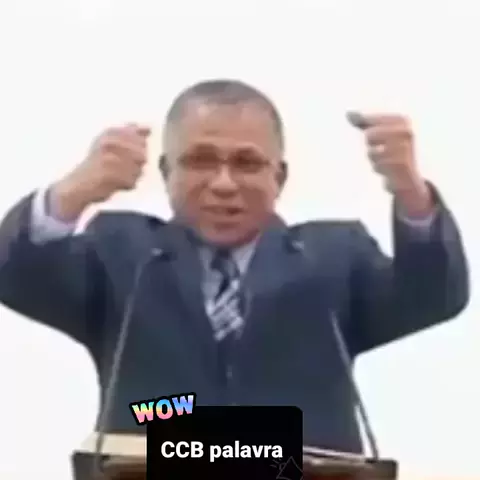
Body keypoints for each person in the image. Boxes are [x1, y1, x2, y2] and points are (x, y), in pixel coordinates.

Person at [0, 79, 469, 453]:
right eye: (200, 161)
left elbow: (432, 296)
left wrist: (409, 190)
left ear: (279, 176)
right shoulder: (122, 252)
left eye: (247, 163)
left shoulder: (333, 257)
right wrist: (75, 191)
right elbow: (15, 275)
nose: (224, 183)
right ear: (166, 172)